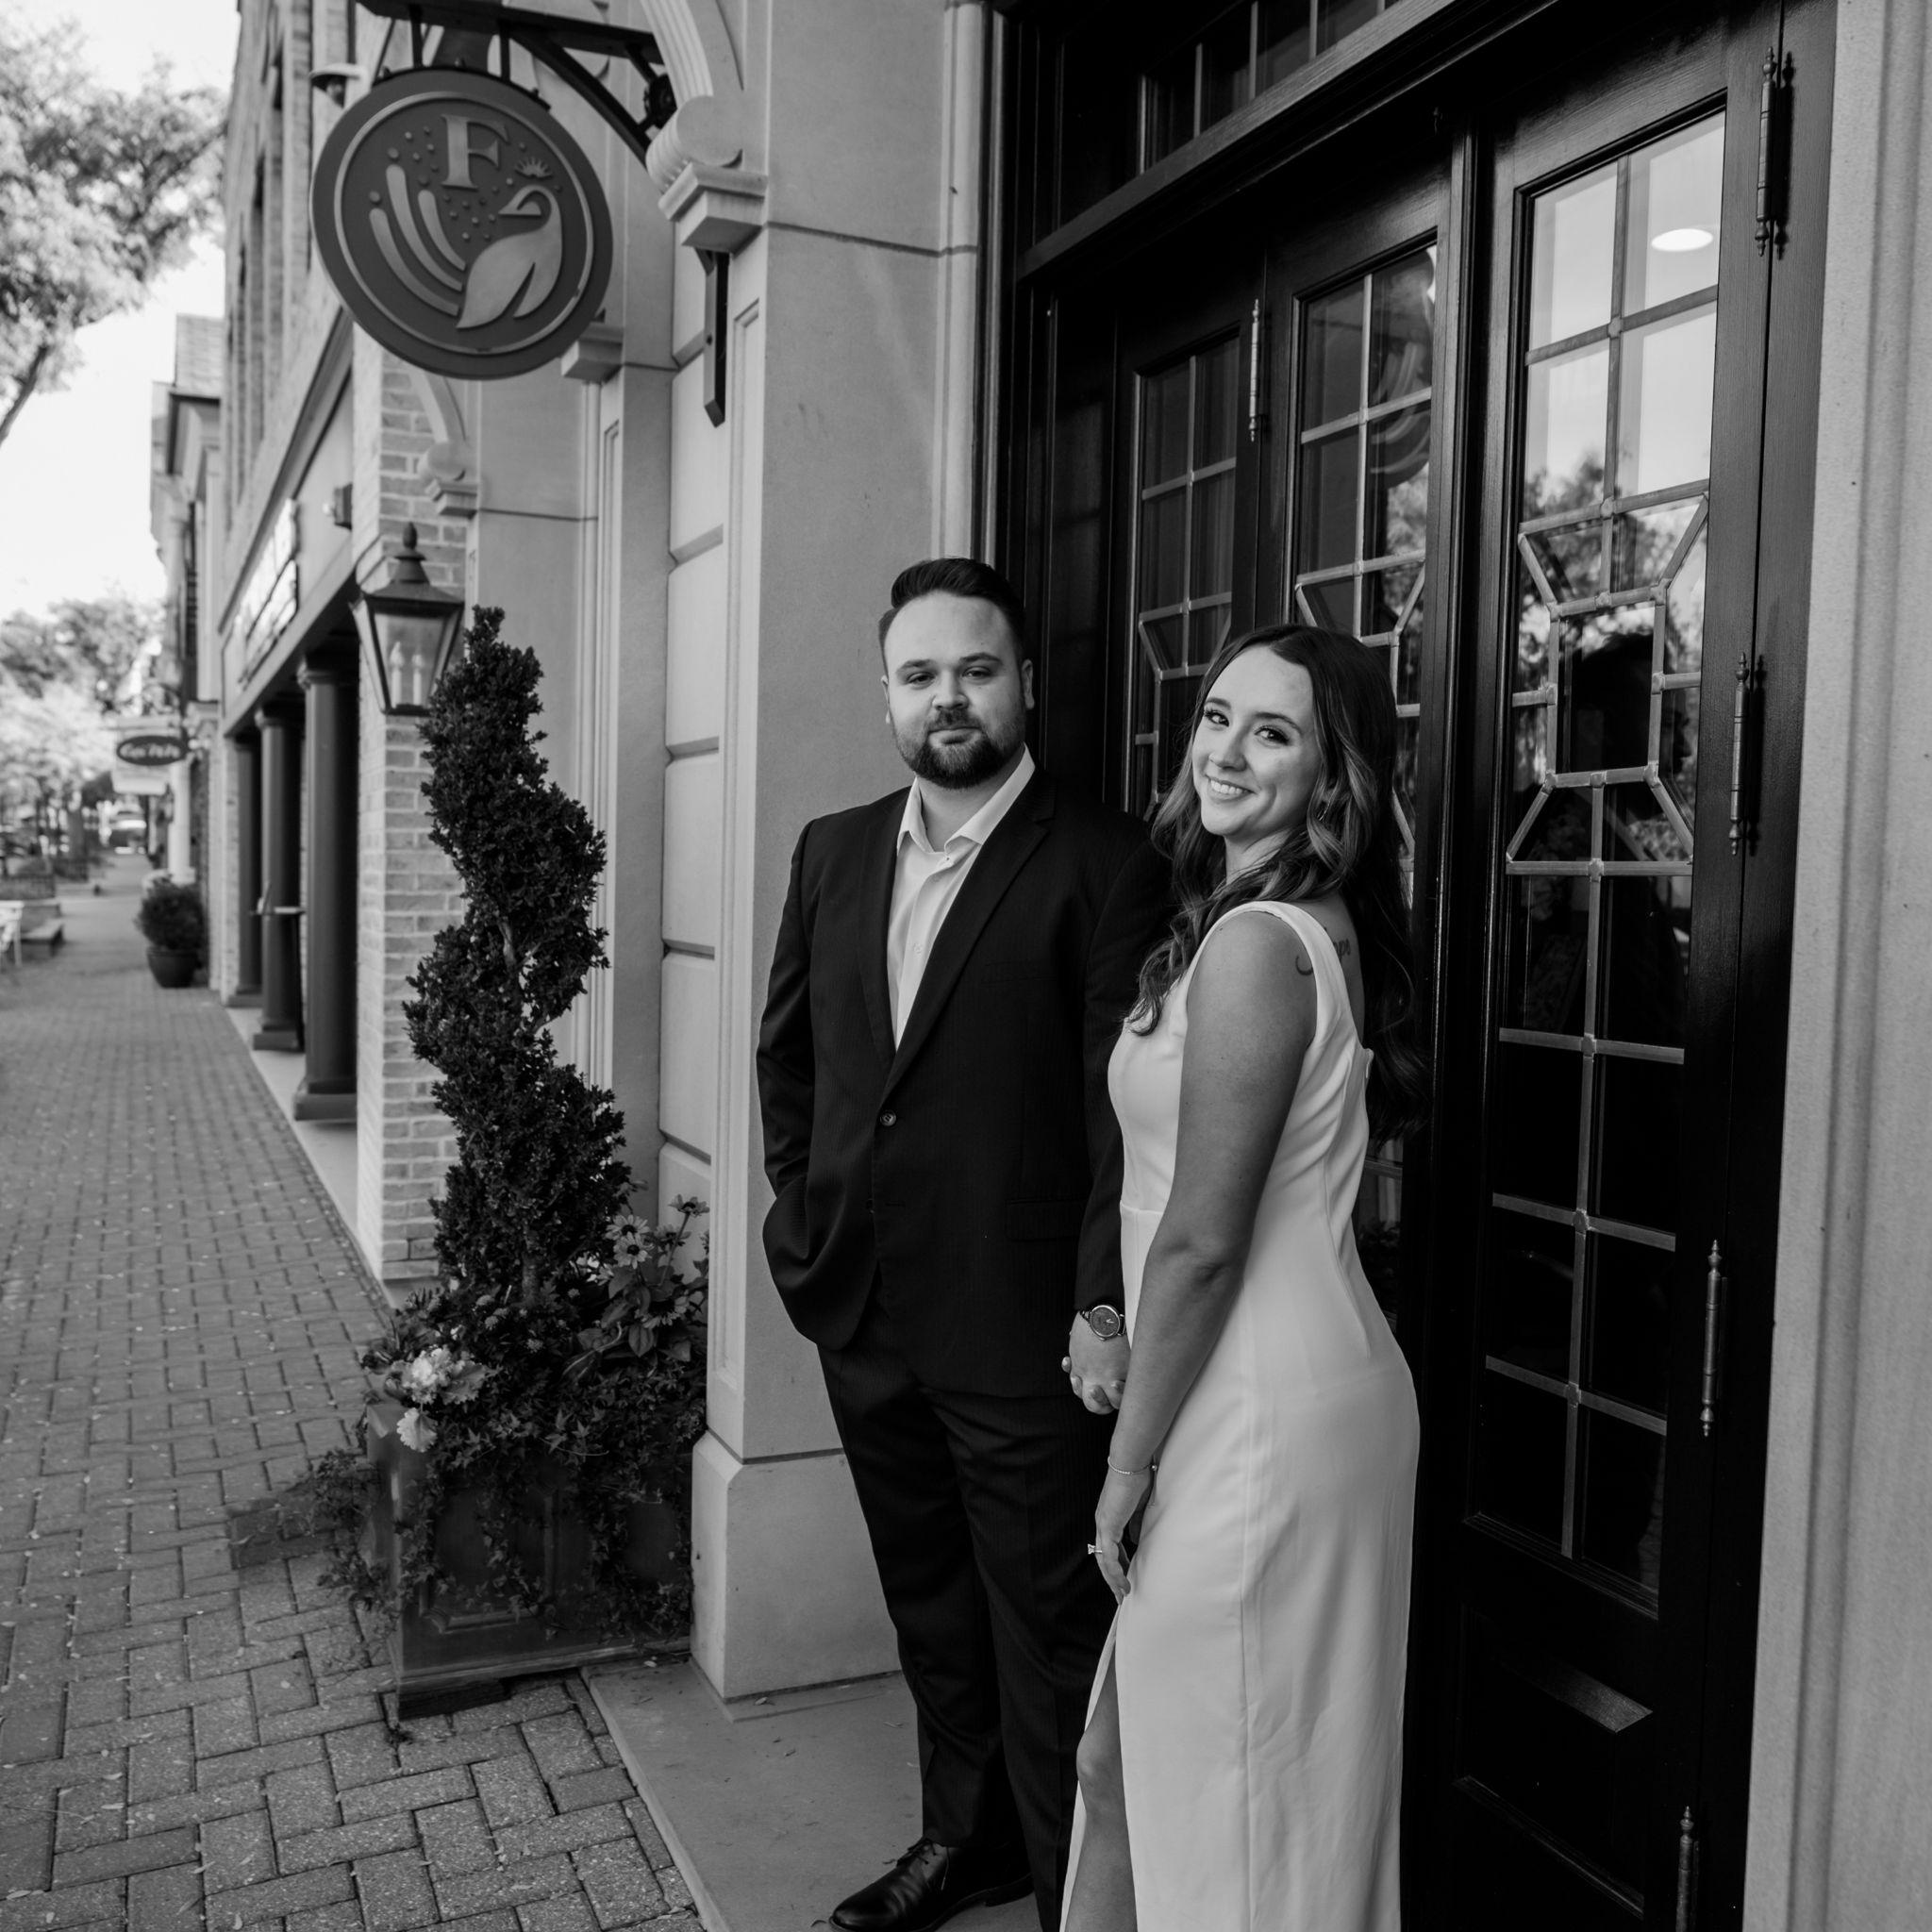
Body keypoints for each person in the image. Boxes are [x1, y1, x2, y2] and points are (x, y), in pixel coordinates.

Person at [757, 558, 1172, 1932]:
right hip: (865, 1308)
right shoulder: (830, 851)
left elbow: (1122, 1117)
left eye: (976, 670)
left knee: (1052, 1634)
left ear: (1024, 684)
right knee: (931, 1605)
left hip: (1023, 1329)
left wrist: (1101, 1308)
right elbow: (793, 1063)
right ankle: (965, 1840)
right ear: (885, 694)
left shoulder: (1108, 862)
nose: (949, 697)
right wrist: (802, 1217)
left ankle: (1074, 1898)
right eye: (921, 673)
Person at [1060, 624, 1430, 1930]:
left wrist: (1127, 1469)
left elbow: (1205, 1239)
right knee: (1136, 1769)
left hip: (1262, 1414)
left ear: (1333, 775)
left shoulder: (1262, 945)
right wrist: (1116, 1318)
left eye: (1272, 732)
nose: (1224, 750)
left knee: (1243, 1820)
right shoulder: (1242, 925)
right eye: (1217, 716)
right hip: (1255, 1383)